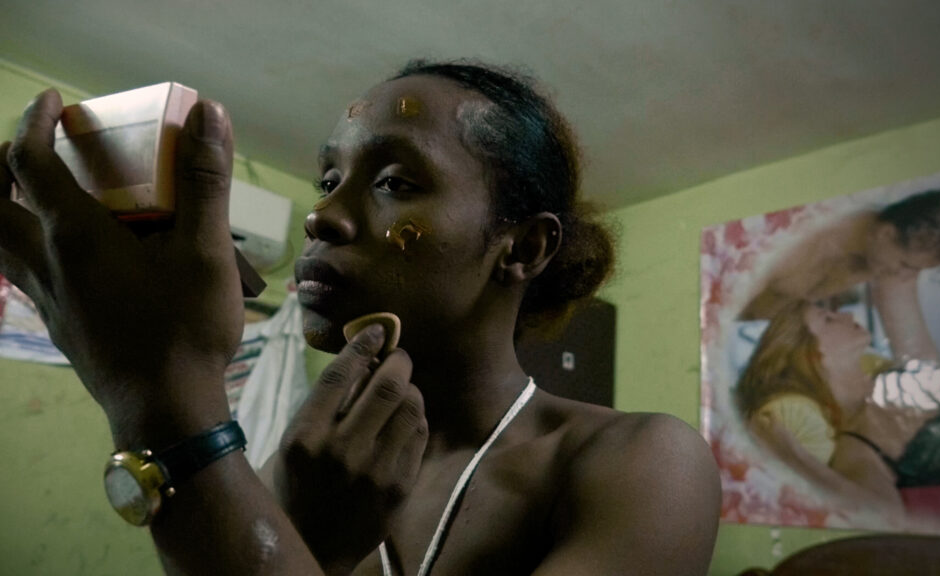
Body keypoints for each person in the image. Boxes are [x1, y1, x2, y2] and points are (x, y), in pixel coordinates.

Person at [0, 60, 720, 575]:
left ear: (523, 247)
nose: (321, 215)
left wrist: (167, 402)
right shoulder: (309, 462)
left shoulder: (642, 464)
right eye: (329, 180)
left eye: (394, 182)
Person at [735, 300, 940, 517]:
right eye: (828, 318)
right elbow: (884, 514)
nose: (847, 314)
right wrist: (792, 455)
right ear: (812, 353)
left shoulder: (891, 379)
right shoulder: (857, 443)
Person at [739, 189, 940, 354]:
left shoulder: (886, 257)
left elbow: (914, 349)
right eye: (906, 266)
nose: (904, 275)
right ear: (886, 233)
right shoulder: (801, 236)